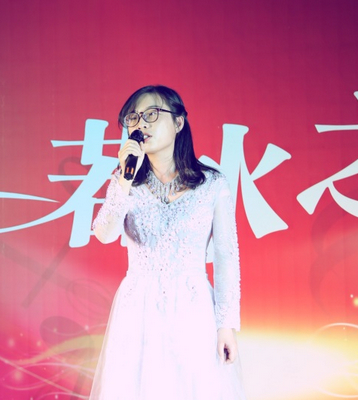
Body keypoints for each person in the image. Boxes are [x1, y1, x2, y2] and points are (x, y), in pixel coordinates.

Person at [90, 85, 245, 400]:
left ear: (178, 122)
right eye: (133, 118)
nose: (141, 124)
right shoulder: (124, 182)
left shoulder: (212, 185)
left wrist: (226, 324)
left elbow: (226, 256)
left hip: (192, 307)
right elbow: (105, 234)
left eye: (151, 115)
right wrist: (124, 178)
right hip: (137, 309)